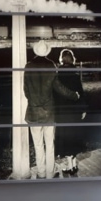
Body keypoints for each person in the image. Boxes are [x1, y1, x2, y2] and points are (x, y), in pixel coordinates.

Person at [23, 40, 79, 179]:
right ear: (47, 51)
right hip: (49, 113)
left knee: (38, 145)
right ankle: (50, 173)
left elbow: (26, 91)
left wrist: (34, 101)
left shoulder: (28, 67)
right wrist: (74, 95)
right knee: (50, 145)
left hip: (34, 112)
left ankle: (41, 174)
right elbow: (59, 88)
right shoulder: (51, 66)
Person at [53, 48, 87, 176]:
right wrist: (83, 109)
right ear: (72, 60)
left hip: (62, 113)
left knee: (65, 140)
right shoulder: (76, 76)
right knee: (73, 138)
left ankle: (70, 166)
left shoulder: (57, 76)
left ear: (61, 60)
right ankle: (73, 166)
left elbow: (55, 95)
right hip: (74, 113)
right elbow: (81, 94)